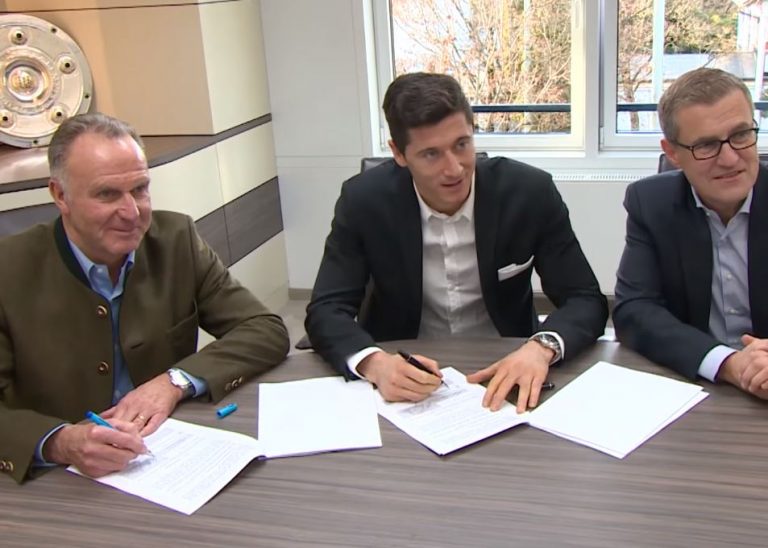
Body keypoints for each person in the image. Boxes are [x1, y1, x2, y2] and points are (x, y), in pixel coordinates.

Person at [0, 113, 290, 484]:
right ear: (60, 195)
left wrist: (173, 381)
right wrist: (60, 442)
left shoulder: (176, 238)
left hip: (164, 460)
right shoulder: (9, 269)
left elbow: (264, 329)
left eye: (140, 189)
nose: (132, 212)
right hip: (56, 482)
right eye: (107, 194)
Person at [305, 72, 607, 413]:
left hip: (507, 364)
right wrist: (374, 363)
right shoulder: (364, 201)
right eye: (431, 154)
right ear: (399, 154)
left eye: (462, 145)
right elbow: (326, 310)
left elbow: (585, 299)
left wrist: (541, 348)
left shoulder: (529, 193)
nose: (454, 169)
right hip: (404, 369)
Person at [614, 67, 768, 399]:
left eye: (741, 134)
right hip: (697, 386)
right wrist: (729, 364)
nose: (730, 159)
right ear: (672, 153)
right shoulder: (650, 203)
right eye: (707, 145)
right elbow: (634, 310)